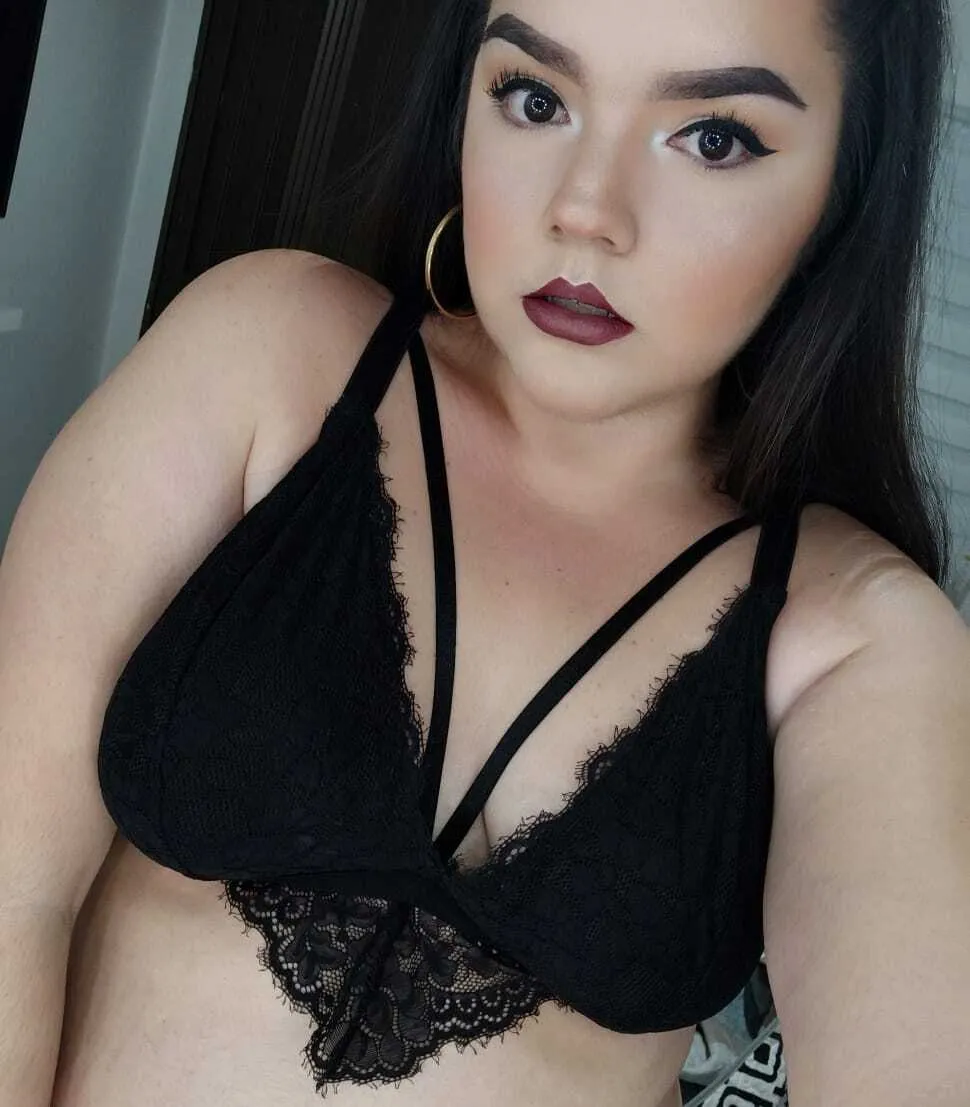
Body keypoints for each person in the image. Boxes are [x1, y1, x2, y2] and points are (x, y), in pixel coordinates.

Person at [1, 1, 967, 1106]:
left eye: (713, 138)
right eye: (535, 98)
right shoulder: (267, 358)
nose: (584, 211)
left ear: (843, 189)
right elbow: (11, 880)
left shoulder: (854, 638)